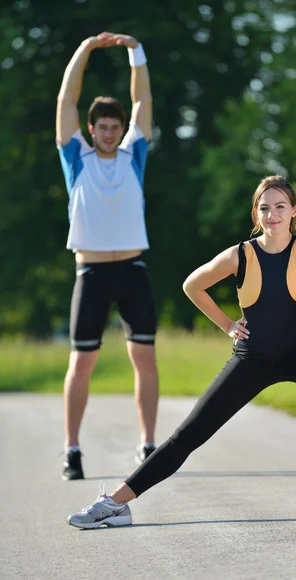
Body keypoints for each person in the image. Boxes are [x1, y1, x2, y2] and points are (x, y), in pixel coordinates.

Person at [67, 175, 296, 527]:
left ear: (293, 211)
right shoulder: (241, 254)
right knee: (189, 435)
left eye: (280, 207)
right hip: (252, 358)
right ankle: (117, 503)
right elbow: (192, 285)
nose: (273, 215)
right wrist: (227, 325)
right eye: (265, 208)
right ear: (257, 214)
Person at [56, 32, 159, 480]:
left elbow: (143, 98)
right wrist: (86, 50)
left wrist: (135, 51)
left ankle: (149, 444)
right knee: (81, 362)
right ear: (91, 130)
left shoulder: (135, 153)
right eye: (103, 127)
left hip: (133, 270)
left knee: (145, 357)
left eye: (116, 127)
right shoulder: (75, 157)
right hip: (92, 271)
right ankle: (72, 450)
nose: (110, 133)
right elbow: (66, 98)